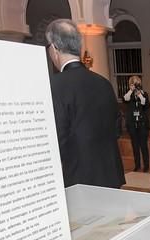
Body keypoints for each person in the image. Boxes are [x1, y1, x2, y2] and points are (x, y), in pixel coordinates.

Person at [46, 19, 125, 189]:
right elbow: (117, 129)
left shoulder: (54, 85)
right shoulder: (104, 83)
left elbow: (57, 139)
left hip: (78, 180)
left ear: (54, 49)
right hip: (110, 175)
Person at [123, 75, 150, 172]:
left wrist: (140, 95)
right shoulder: (129, 94)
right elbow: (125, 99)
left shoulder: (144, 94)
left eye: (137, 83)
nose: (135, 85)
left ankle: (146, 166)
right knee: (135, 146)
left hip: (142, 124)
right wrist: (131, 90)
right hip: (132, 124)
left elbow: (146, 105)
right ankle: (137, 165)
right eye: (133, 83)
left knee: (143, 145)